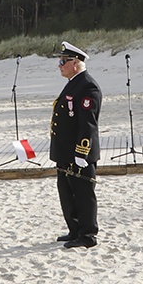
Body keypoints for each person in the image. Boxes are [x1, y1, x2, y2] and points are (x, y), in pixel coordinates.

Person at [50, 41, 102, 249]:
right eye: (60, 61)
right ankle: (75, 229)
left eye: (63, 61)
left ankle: (87, 234)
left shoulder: (87, 86)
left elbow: (87, 124)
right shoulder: (73, 82)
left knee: (83, 193)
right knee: (66, 192)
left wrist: (82, 151)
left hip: (78, 152)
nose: (60, 65)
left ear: (76, 62)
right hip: (65, 152)